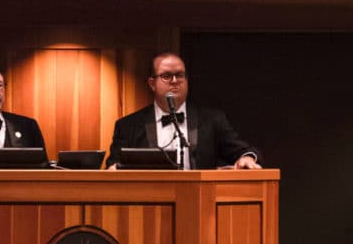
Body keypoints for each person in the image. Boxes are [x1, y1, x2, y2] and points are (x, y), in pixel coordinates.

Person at [105, 52, 260, 170]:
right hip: (147, 209)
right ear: (152, 84)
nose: (174, 81)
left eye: (179, 75)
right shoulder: (128, 126)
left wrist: (247, 157)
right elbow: (113, 166)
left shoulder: (212, 120)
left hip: (199, 204)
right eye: (166, 76)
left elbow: (243, 151)